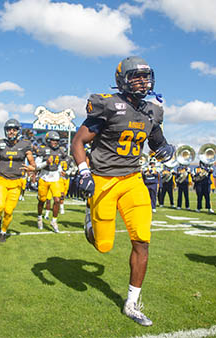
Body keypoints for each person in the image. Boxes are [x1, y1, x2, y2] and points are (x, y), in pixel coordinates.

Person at [71, 56, 175, 326]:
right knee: (103, 246)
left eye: (146, 76)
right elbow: (78, 141)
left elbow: (157, 142)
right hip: (103, 179)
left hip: (133, 180)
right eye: (136, 76)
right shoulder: (108, 105)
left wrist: (167, 149)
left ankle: (132, 302)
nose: (143, 81)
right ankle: (90, 222)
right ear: (122, 80)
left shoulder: (152, 110)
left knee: (142, 239)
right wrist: (83, 171)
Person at [0, 119, 36, 243]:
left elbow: (32, 162)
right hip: (1, 179)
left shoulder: (25, 145)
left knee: (8, 211)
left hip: (16, 182)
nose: (11, 132)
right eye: (9, 129)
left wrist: (32, 168)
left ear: (18, 131)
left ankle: (3, 231)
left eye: (13, 129)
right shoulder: (0, 143)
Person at [36, 131, 65, 233]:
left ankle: (54, 221)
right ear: (48, 140)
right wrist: (46, 163)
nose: (55, 142)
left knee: (57, 199)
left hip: (55, 177)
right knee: (42, 200)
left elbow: (59, 163)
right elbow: (37, 166)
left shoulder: (60, 151)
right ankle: (39, 218)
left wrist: (61, 170)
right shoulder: (42, 149)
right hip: (44, 177)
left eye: (56, 140)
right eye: (53, 140)